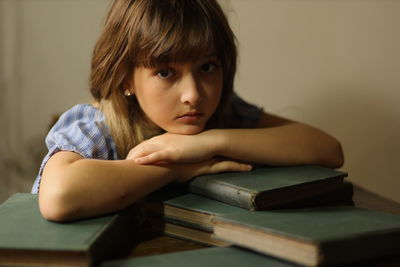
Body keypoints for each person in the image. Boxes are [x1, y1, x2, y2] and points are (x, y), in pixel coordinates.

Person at [32, 0, 344, 222]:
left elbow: (329, 150)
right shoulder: (96, 126)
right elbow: (59, 198)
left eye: (207, 67)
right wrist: (179, 166)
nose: (193, 94)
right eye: (166, 73)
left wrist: (210, 142)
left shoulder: (223, 112)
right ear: (126, 78)